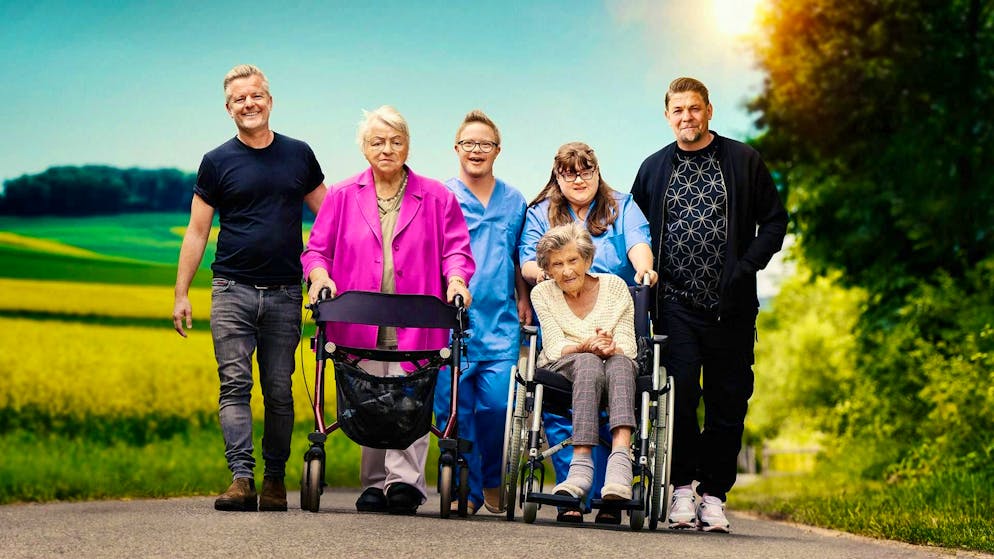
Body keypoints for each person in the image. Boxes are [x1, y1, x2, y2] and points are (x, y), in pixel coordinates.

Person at [631, 77, 788, 532]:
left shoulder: (743, 160)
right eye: (678, 110)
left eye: (694, 108)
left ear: (709, 111)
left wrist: (746, 268)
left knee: (729, 400)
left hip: (732, 306)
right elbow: (634, 231)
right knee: (679, 397)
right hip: (674, 305)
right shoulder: (654, 169)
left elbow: (774, 221)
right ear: (667, 116)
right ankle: (682, 489)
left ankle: (714, 494)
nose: (687, 117)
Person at [301, 105, 474, 516]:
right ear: (364, 148)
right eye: (377, 142)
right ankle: (374, 484)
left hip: (417, 322)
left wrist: (456, 281)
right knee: (369, 400)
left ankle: (404, 484)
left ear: (408, 146)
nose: (387, 149)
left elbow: (456, 251)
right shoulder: (343, 196)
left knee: (408, 402)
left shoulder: (436, 196)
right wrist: (321, 276)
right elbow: (316, 251)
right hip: (359, 321)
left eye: (396, 141)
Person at [172, 64, 327, 512]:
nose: (249, 104)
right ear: (229, 108)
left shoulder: (298, 155)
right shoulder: (217, 161)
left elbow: (330, 217)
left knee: (279, 389)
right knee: (234, 385)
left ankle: (275, 479)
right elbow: (197, 232)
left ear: (270, 101)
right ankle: (242, 478)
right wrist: (182, 293)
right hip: (231, 290)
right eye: (239, 99)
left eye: (256, 95)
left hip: (283, 292)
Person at [518, 141, 656, 524]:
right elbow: (529, 262)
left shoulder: (621, 206)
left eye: (586, 171)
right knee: (583, 369)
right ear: (557, 176)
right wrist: (553, 276)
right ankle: (575, 490)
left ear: (597, 171)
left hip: (614, 323)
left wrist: (644, 272)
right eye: (569, 172)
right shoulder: (541, 214)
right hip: (566, 334)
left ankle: (614, 484)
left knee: (618, 365)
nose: (578, 179)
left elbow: (639, 244)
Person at [431, 110, 529, 514]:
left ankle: (491, 477)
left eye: (485, 144)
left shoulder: (515, 200)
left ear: (497, 150)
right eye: (469, 143)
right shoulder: (440, 196)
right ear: (456, 149)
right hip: (450, 321)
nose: (476, 150)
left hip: (501, 323)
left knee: (497, 407)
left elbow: (518, 255)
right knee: (453, 410)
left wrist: (523, 297)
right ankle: (466, 490)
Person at [530, 223, 638, 505]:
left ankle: (620, 464)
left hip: (616, 363)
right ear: (548, 269)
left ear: (587, 259)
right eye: (557, 264)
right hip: (564, 367)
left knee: (620, 362)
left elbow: (628, 343)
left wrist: (611, 346)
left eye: (573, 260)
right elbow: (553, 347)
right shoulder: (542, 294)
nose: (566, 271)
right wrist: (584, 346)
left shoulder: (615, 287)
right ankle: (580, 467)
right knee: (589, 361)